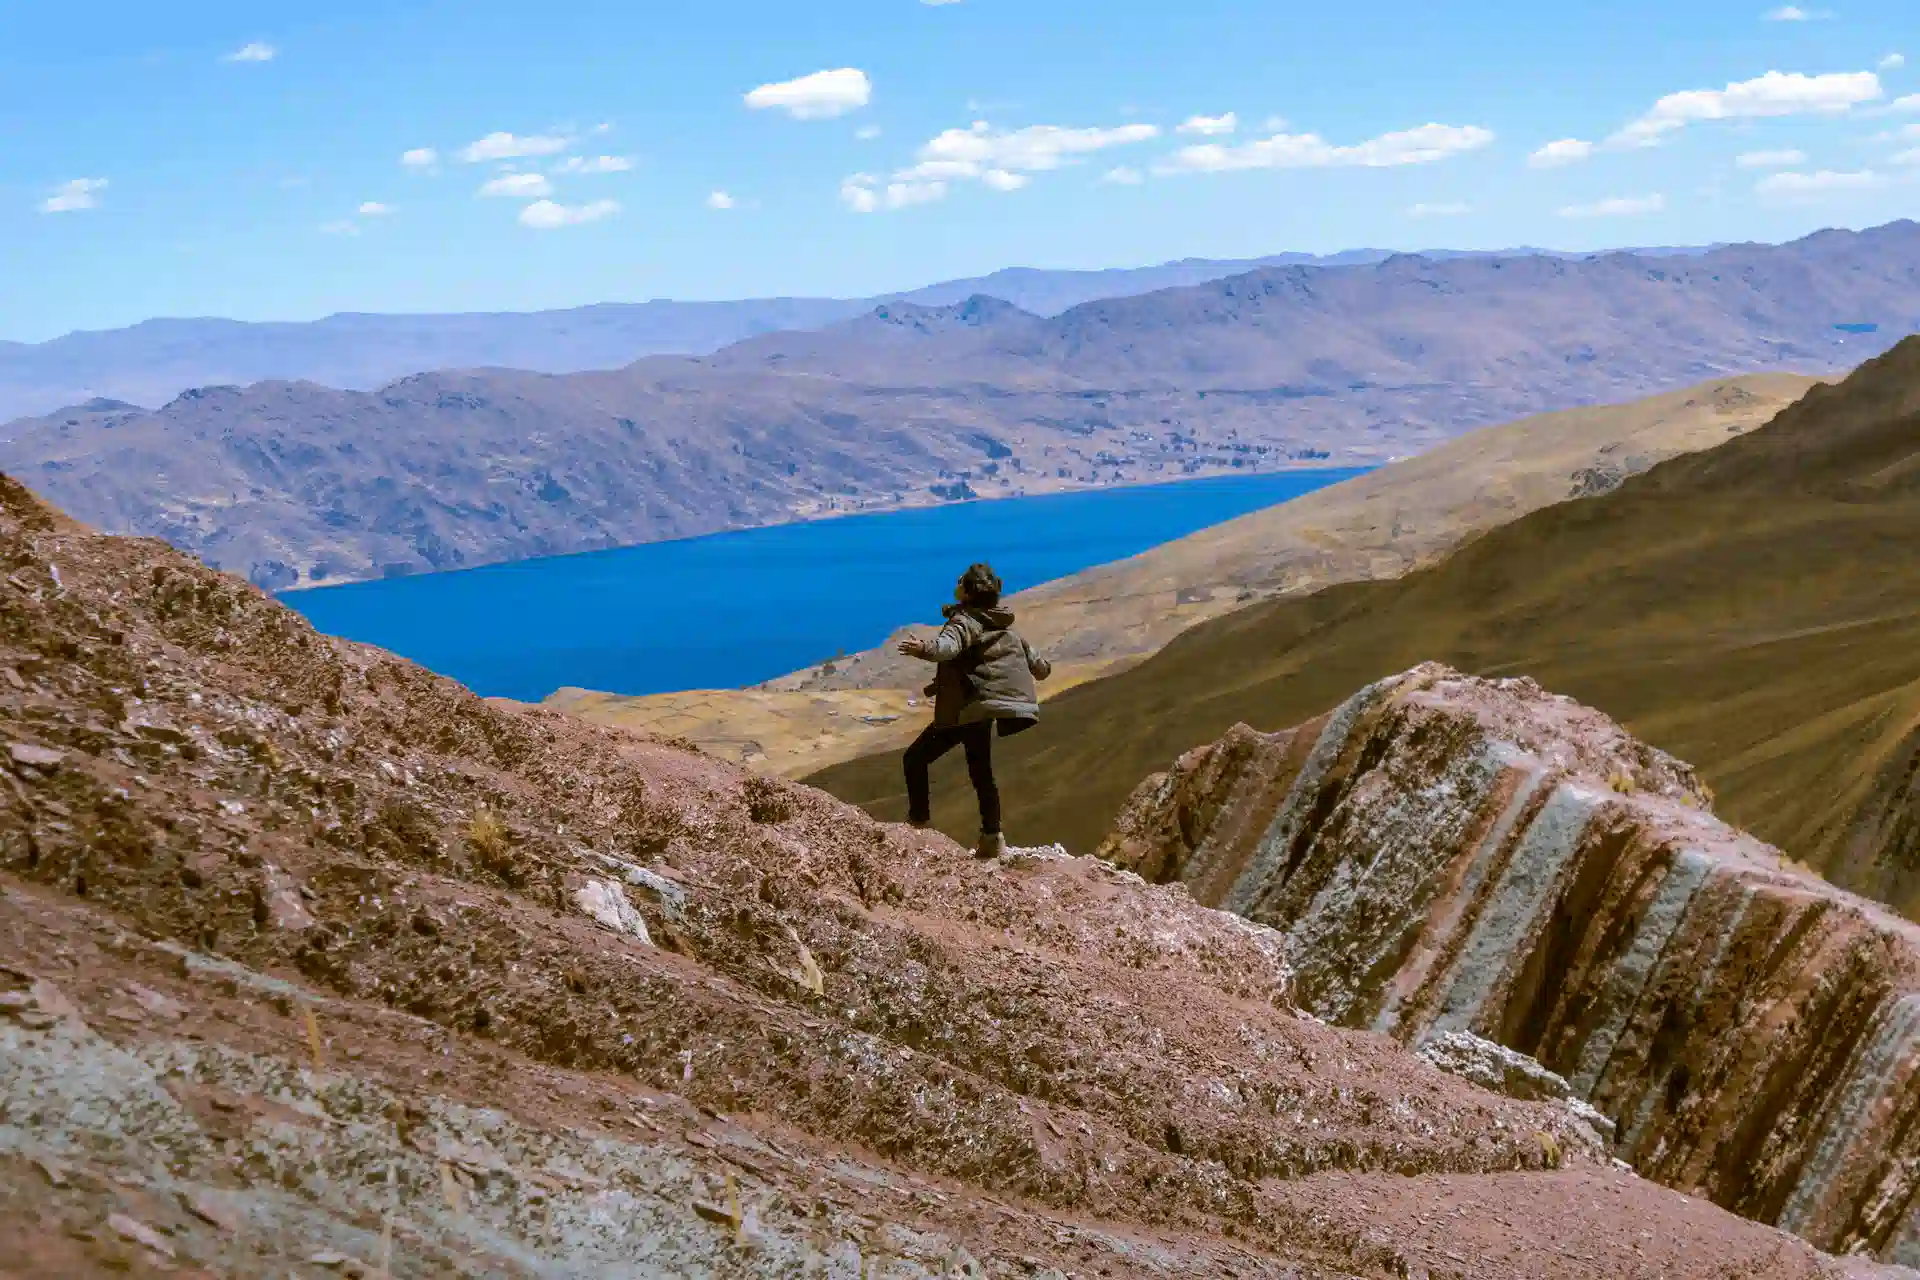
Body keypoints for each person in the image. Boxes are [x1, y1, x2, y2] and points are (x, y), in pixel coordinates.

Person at [896, 562, 1052, 858]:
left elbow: (947, 648)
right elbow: (1040, 668)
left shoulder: (964, 621)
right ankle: (992, 838)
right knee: (981, 772)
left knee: (915, 759)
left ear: (967, 592)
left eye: (960, 582)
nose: (955, 584)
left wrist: (922, 649)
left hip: (969, 708)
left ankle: (919, 825)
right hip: (983, 710)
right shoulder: (1005, 627)